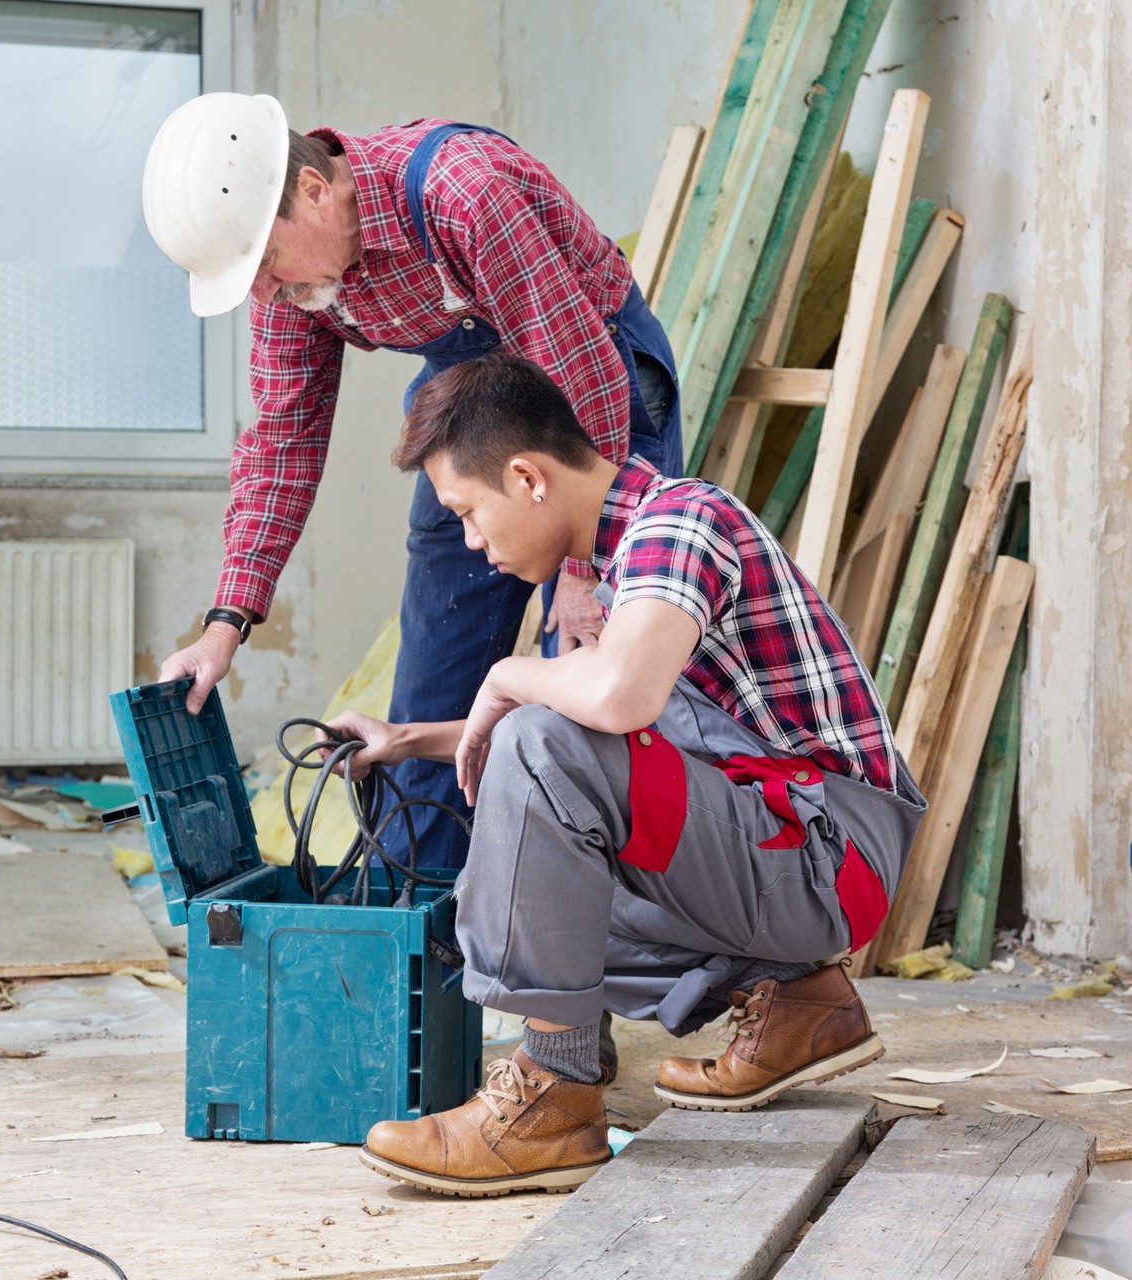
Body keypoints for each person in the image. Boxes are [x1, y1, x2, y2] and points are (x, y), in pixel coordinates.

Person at [330, 353, 926, 1197]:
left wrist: (505, 675)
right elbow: (598, 735)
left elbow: (610, 701)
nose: (470, 541)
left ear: (528, 478)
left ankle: (556, 1093)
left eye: (469, 512)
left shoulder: (679, 524)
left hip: (829, 858)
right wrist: (403, 738)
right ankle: (803, 1002)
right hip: (797, 847)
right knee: (519, 866)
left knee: (541, 746)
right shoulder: (631, 556)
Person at [139, 93, 682, 871]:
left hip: (595, 400)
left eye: (262, 266)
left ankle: (577, 964)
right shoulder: (294, 285)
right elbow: (282, 442)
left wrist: (582, 569)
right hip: (473, 402)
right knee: (431, 691)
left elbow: (583, 376)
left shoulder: (464, 191)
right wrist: (224, 624)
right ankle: (425, 944)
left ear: (315, 192)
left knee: (589, 688)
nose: (263, 294)